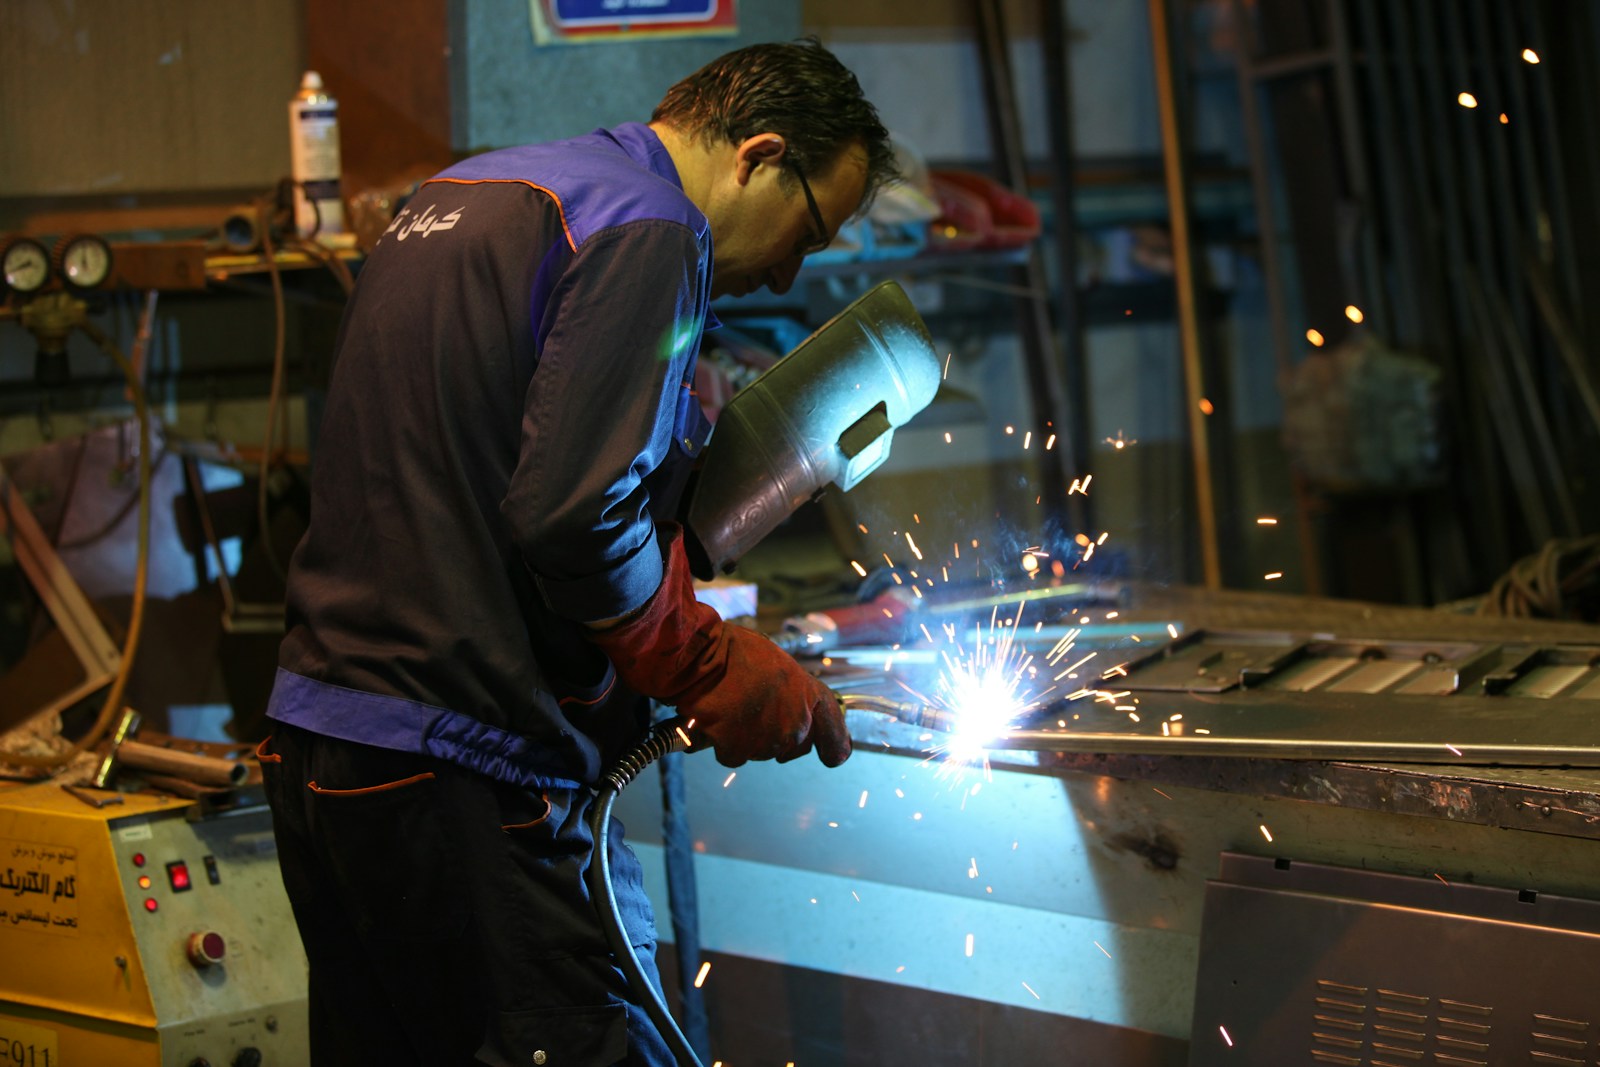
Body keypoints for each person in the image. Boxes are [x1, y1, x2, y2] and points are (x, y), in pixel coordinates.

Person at [256, 37, 899, 1067]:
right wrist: (705, 658)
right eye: (806, 231)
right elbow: (573, 512)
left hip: (329, 752)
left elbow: (485, 464)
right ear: (758, 154)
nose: (786, 269)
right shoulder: (652, 229)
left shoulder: (470, 191)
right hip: (471, 769)